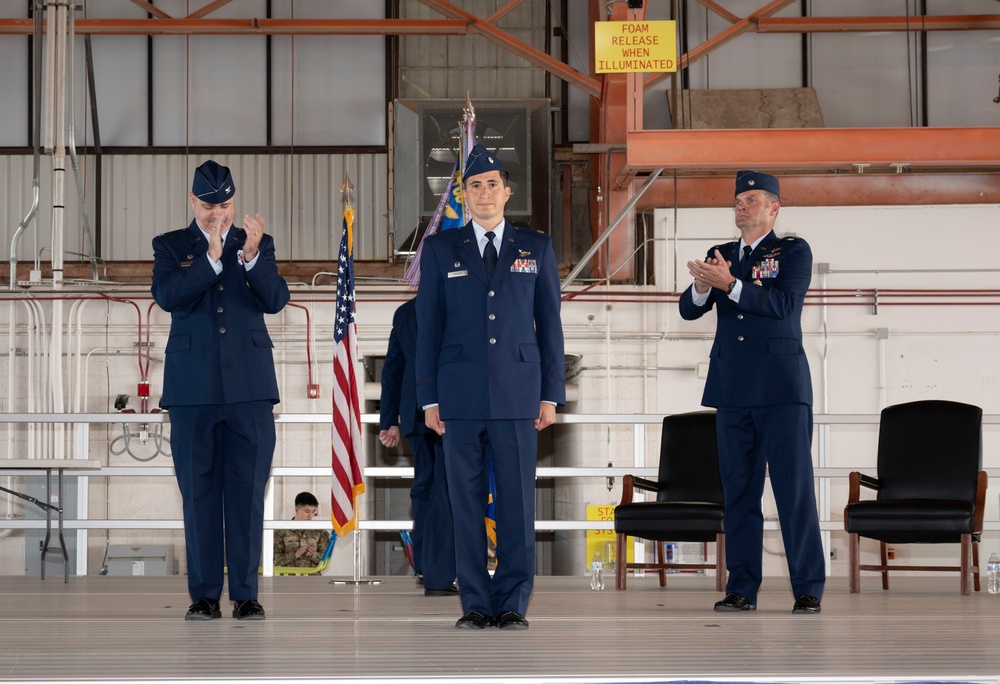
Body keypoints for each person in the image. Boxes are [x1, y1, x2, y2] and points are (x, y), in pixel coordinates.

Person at [415, 144, 565, 630]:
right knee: (465, 502)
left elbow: (550, 324)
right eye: (474, 186)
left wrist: (550, 393)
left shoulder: (535, 247)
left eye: (492, 184)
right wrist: (428, 397)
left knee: (519, 504)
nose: (484, 193)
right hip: (457, 398)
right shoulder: (439, 249)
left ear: (508, 192)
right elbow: (428, 327)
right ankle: (476, 602)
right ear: (463, 194)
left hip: (519, 395)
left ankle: (513, 602)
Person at [678, 170, 825, 615]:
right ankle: (742, 588)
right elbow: (688, 310)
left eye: (753, 199)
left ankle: (807, 588)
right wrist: (704, 285)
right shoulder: (720, 254)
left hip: (781, 389)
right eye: (739, 200)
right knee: (739, 492)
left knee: (792, 490)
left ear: (774, 208)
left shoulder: (793, 251)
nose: (742, 206)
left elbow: (782, 305)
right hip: (733, 389)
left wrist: (731, 286)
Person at [152, 160, 290, 621]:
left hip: (250, 389)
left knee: (248, 492)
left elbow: (276, 300)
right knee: (199, 493)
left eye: (226, 205)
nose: (219, 215)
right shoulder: (172, 246)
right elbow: (168, 296)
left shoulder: (256, 245)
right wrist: (211, 259)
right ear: (193, 201)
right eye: (210, 205)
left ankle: (247, 594)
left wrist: (249, 257)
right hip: (192, 391)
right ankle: (205, 594)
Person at [378, 299, 457, 596]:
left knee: (425, 485)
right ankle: (443, 565)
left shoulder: (404, 313)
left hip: (414, 411)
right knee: (448, 488)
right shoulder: (454, 303)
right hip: (452, 410)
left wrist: (390, 420)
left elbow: (392, 369)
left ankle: (426, 564)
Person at [273, 492, 331, 568]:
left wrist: (312, 555)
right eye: (307, 511)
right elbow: (273, 561)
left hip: (312, 578)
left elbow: (325, 561)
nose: (310, 516)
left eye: (313, 511)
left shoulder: (320, 532)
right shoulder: (281, 532)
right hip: (288, 578)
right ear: (297, 510)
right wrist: (295, 555)